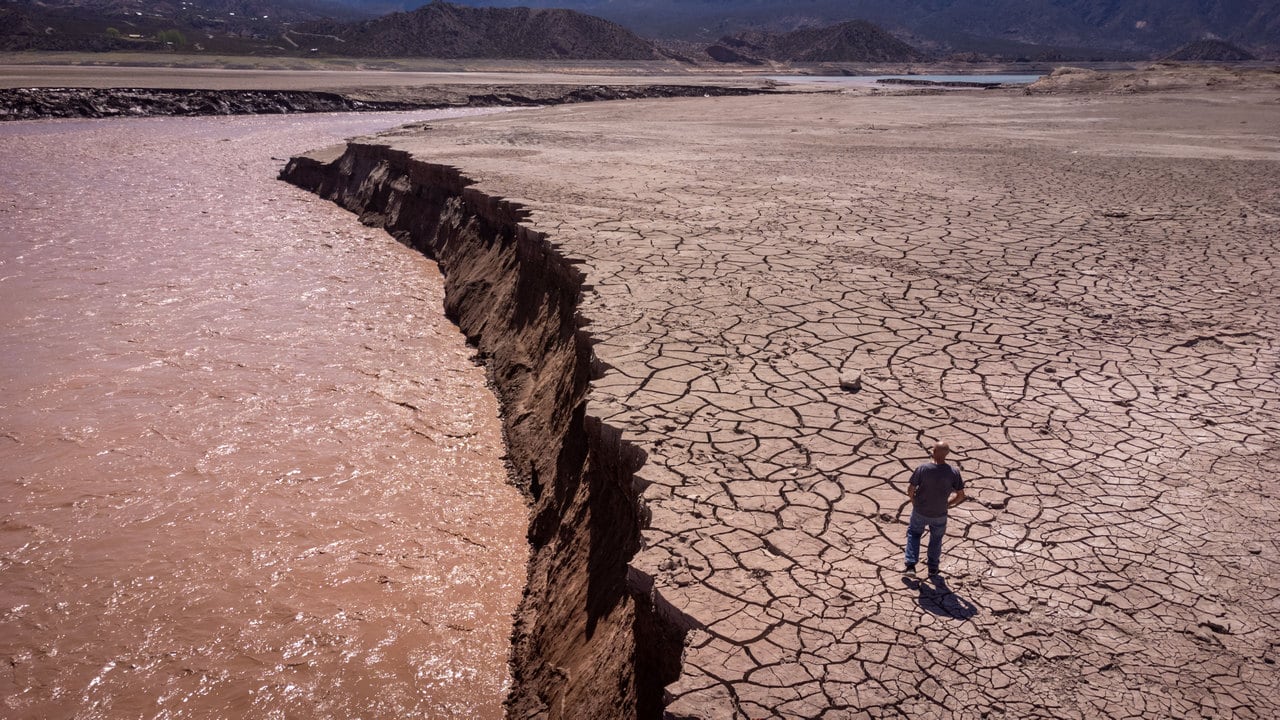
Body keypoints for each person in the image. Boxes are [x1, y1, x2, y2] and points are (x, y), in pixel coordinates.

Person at [904, 441, 965, 576]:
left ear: (934, 451)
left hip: (920, 511)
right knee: (936, 540)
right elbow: (961, 495)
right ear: (947, 454)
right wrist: (947, 504)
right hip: (940, 514)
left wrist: (914, 501)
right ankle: (932, 568)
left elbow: (911, 489)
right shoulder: (953, 472)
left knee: (914, 534)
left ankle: (910, 566)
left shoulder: (923, 469)